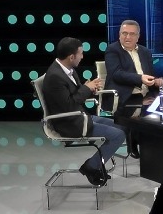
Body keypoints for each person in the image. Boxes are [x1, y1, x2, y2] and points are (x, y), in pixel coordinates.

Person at [42, 36, 125, 186]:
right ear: (71, 57)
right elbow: (69, 105)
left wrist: (90, 89)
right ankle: (91, 167)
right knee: (118, 135)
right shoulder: (55, 77)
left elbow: (76, 94)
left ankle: (95, 165)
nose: (82, 56)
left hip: (80, 116)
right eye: (80, 53)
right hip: (69, 123)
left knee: (120, 127)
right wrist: (86, 88)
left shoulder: (68, 70)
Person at [103, 19, 163, 158]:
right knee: (137, 109)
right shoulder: (112, 50)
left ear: (138, 36)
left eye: (132, 34)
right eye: (124, 33)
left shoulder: (145, 52)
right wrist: (140, 78)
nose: (127, 37)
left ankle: (155, 145)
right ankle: (133, 143)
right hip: (125, 94)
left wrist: (156, 81)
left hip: (146, 93)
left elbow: (150, 74)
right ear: (119, 35)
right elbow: (116, 74)